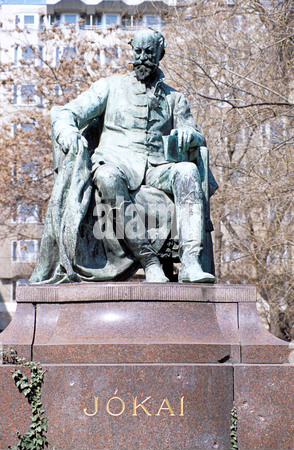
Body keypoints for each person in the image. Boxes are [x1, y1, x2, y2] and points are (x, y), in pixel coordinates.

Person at [30, 29, 217, 285]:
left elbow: (197, 135)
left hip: (157, 167)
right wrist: (68, 134)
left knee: (188, 171)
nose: (142, 58)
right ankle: (149, 261)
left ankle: (191, 260)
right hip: (115, 162)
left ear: (161, 53)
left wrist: (189, 135)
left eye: (149, 53)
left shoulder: (175, 99)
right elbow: (66, 113)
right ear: (131, 51)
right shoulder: (109, 86)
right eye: (137, 52)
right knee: (106, 177)